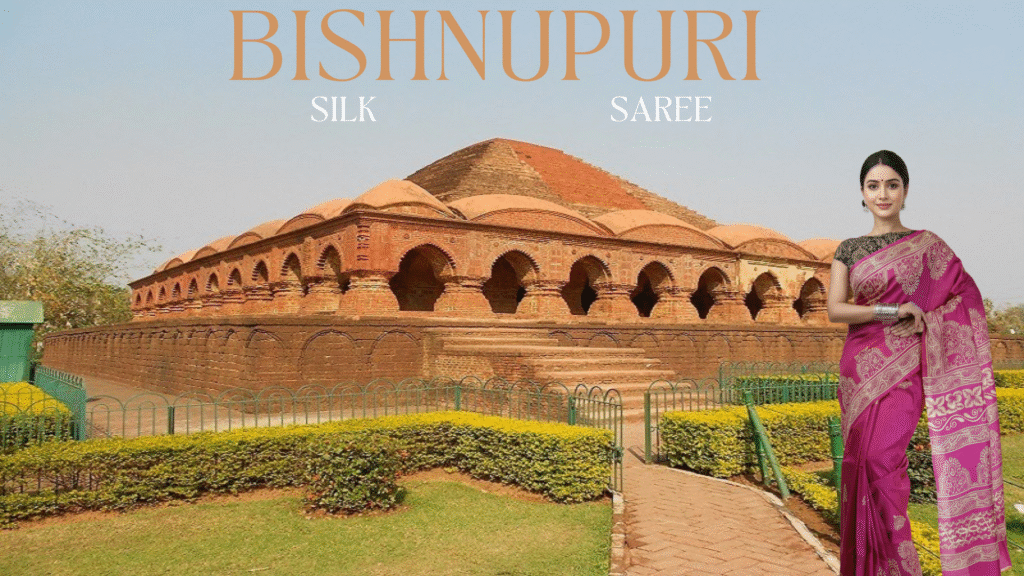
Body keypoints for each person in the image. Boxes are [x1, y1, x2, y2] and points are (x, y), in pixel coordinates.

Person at [826, 150, 1011, 575]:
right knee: (859, 463)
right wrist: (894, 311)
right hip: (859, 371)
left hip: (907, 370)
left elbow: (965, 297)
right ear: (862, 193)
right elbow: (835, 309)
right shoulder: (848, 249)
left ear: (905, 191)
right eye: (873, 186)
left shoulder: (929, 245)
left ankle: (898, 566)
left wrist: (926, 316)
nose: (883, 194)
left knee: (881, 461)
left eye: (892, 185)